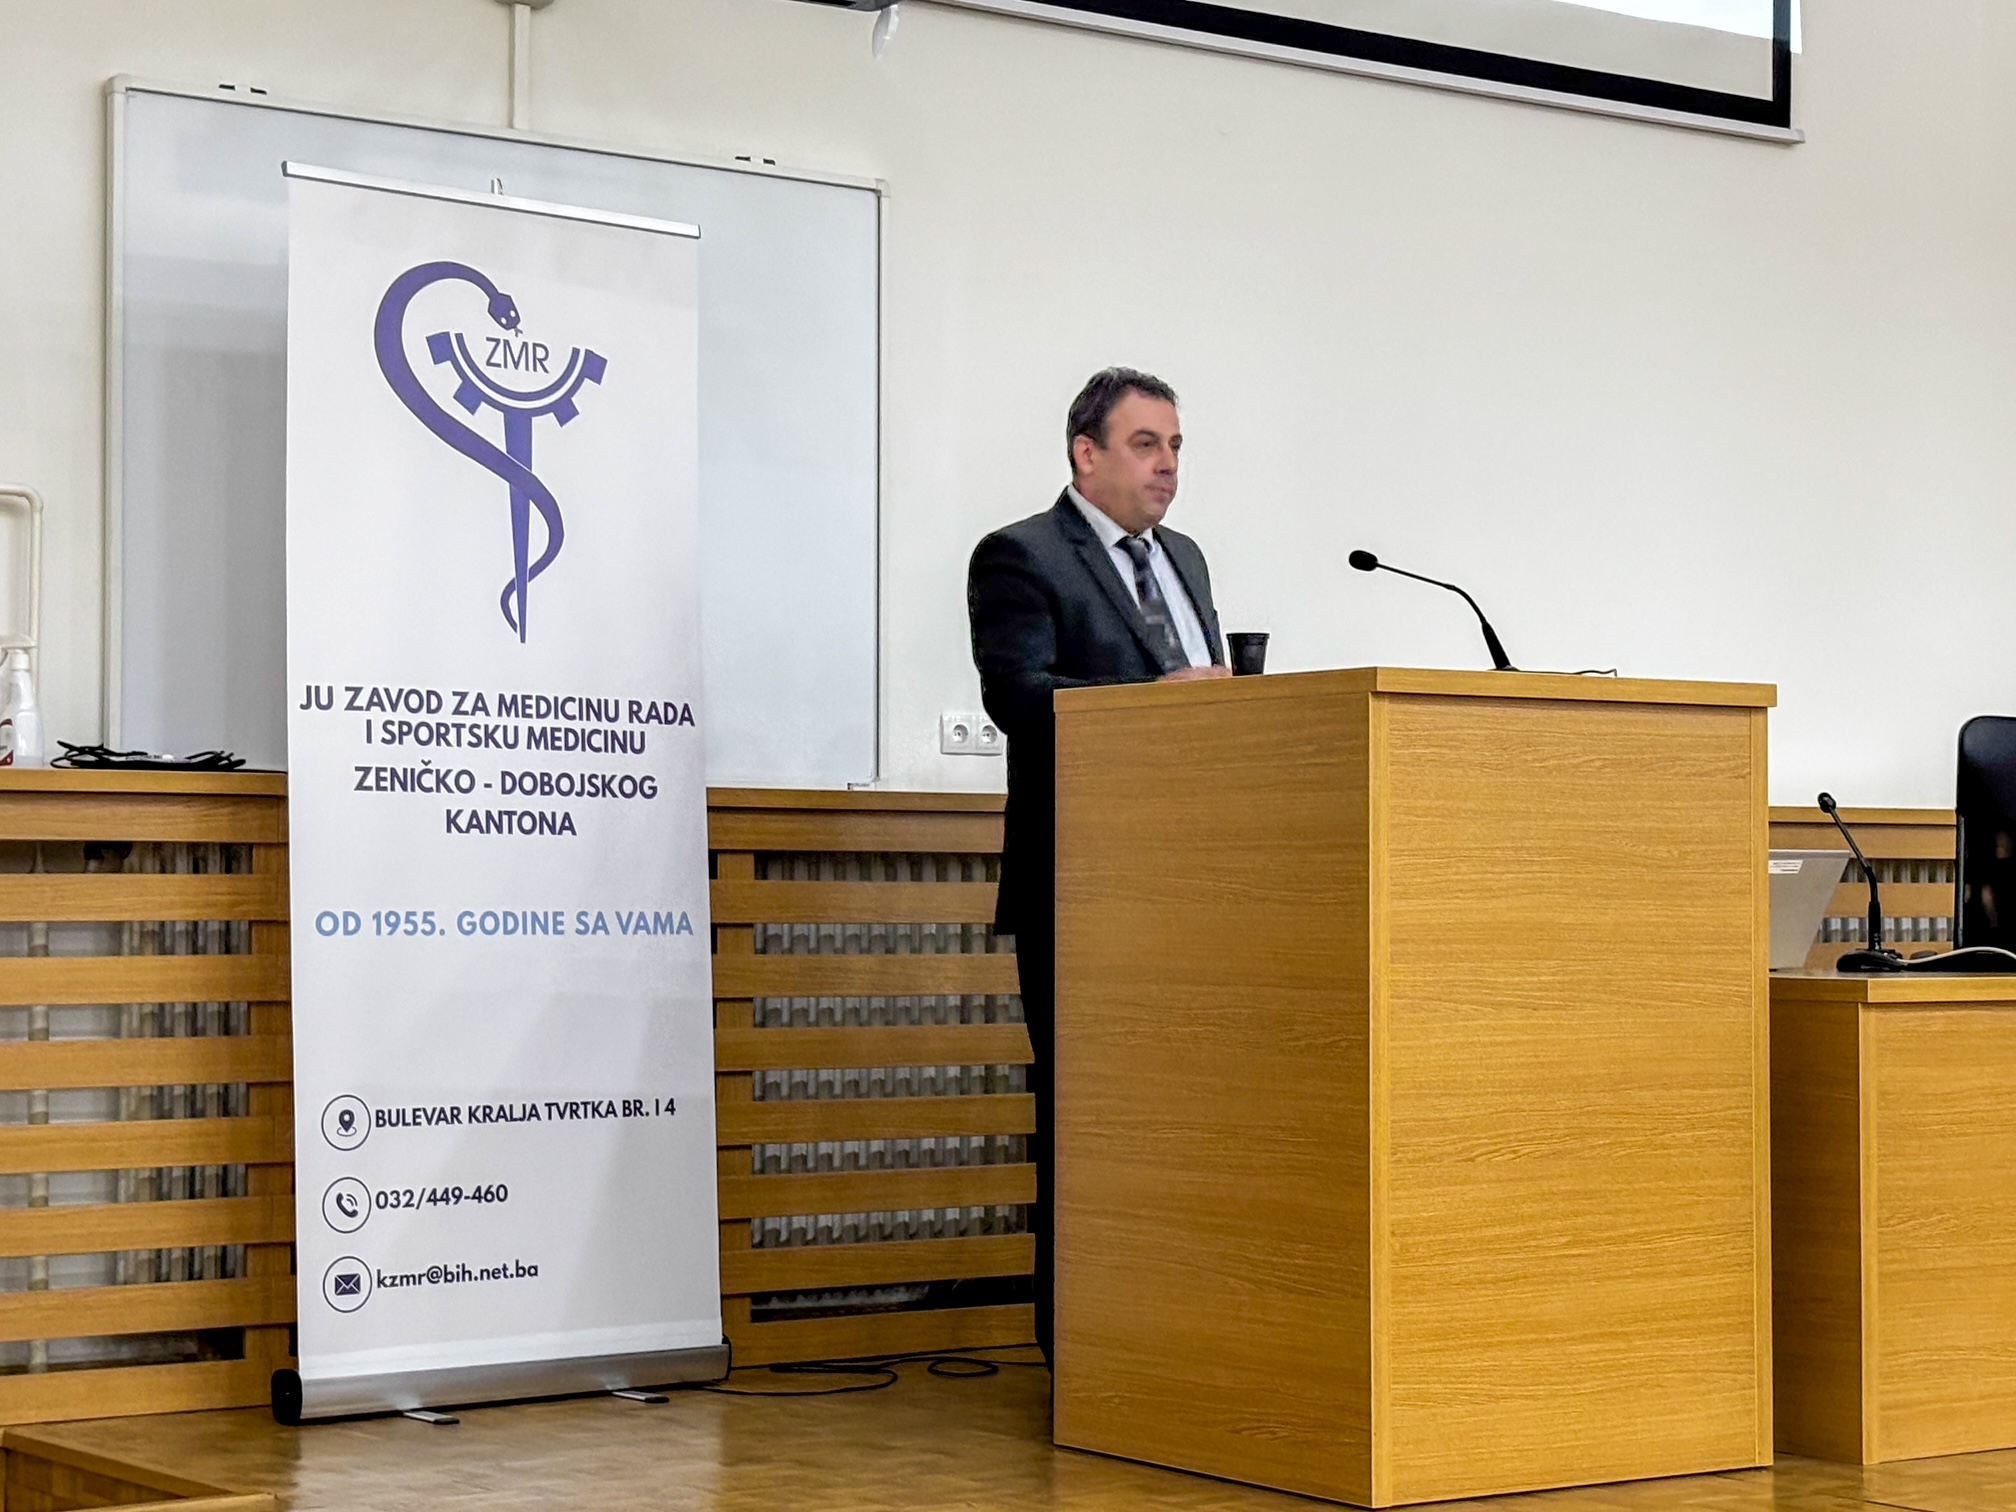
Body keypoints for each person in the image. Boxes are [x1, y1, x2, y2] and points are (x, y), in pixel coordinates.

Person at [965, 367, 1230, 1364]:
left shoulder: (1186, 559)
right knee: (1090, 1119)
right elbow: (1018, 697)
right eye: (1145, 444)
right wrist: (1157, 706)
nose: (1167, 466)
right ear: (1087, 453)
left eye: (1176, 447)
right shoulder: (1021, 555)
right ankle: (1080, 1351)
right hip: (1082, 888)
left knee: (1182, 1121)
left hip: (1189, 888)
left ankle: (1173, 1333)